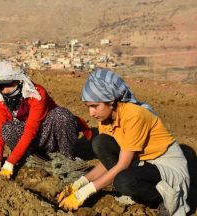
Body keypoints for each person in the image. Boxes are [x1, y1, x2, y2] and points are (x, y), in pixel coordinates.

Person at [57, 68, 190, 215]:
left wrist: (84, 193)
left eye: (95, 106)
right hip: (142, 162)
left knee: (123, 181)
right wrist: (79, 184)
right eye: (88, 107)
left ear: (111, 102)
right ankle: (135, 190)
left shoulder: (134, 115)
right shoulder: (105, 120)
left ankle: (163, 199)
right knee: (100, 143)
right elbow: (108, 161)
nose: (91, 113)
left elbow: (122, 164)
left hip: (164, 164)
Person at [0, 61, 92, 179]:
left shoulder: (37, 94)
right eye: (1, 86)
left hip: (48, 134)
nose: (5, 90)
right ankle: (32, 159)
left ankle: (66, 160)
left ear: (20, 81)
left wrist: (11, 161)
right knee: (7, 129)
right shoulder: (2, 100)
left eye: (8, 84)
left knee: (62, 115)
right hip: (31, 141)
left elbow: (31, 130)